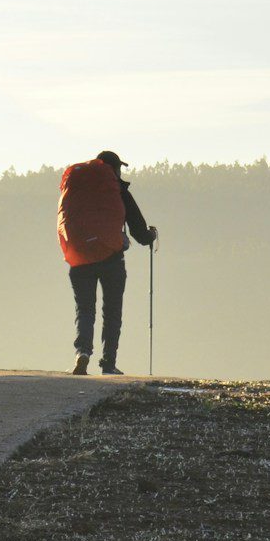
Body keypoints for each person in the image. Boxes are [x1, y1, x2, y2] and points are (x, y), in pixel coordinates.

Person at [66, 150, 158, 376]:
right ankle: (108, 363)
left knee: (85, 309)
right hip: (111, 259)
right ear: (113, 169)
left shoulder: (77, 189)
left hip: (80, 258)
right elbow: (138, 230)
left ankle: (83, 353)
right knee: (112, 311)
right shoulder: (117, 191)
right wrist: (150, 236)